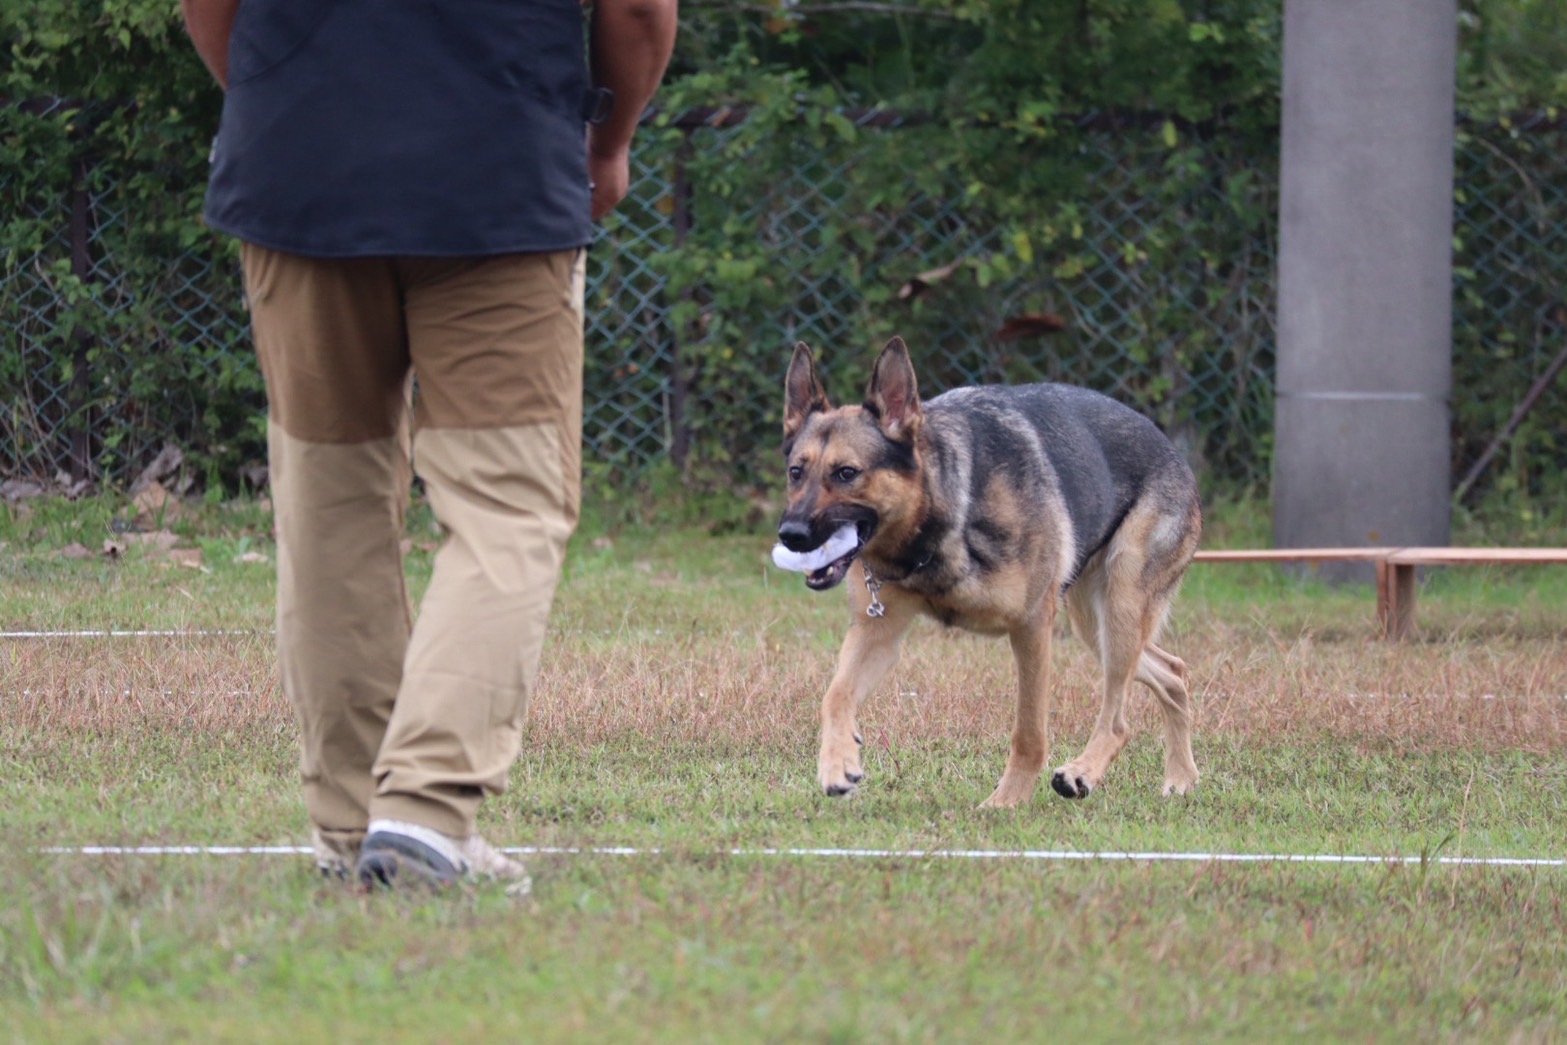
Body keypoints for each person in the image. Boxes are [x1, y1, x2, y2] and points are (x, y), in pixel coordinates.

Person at [180, 0, 678, 891]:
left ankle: (350, 828)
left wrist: (280, 105)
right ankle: (421, 816)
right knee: (508, 507)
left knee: (328, 506)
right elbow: (639, 10)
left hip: (300, 163)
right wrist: (608, 144)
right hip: (500, 171)